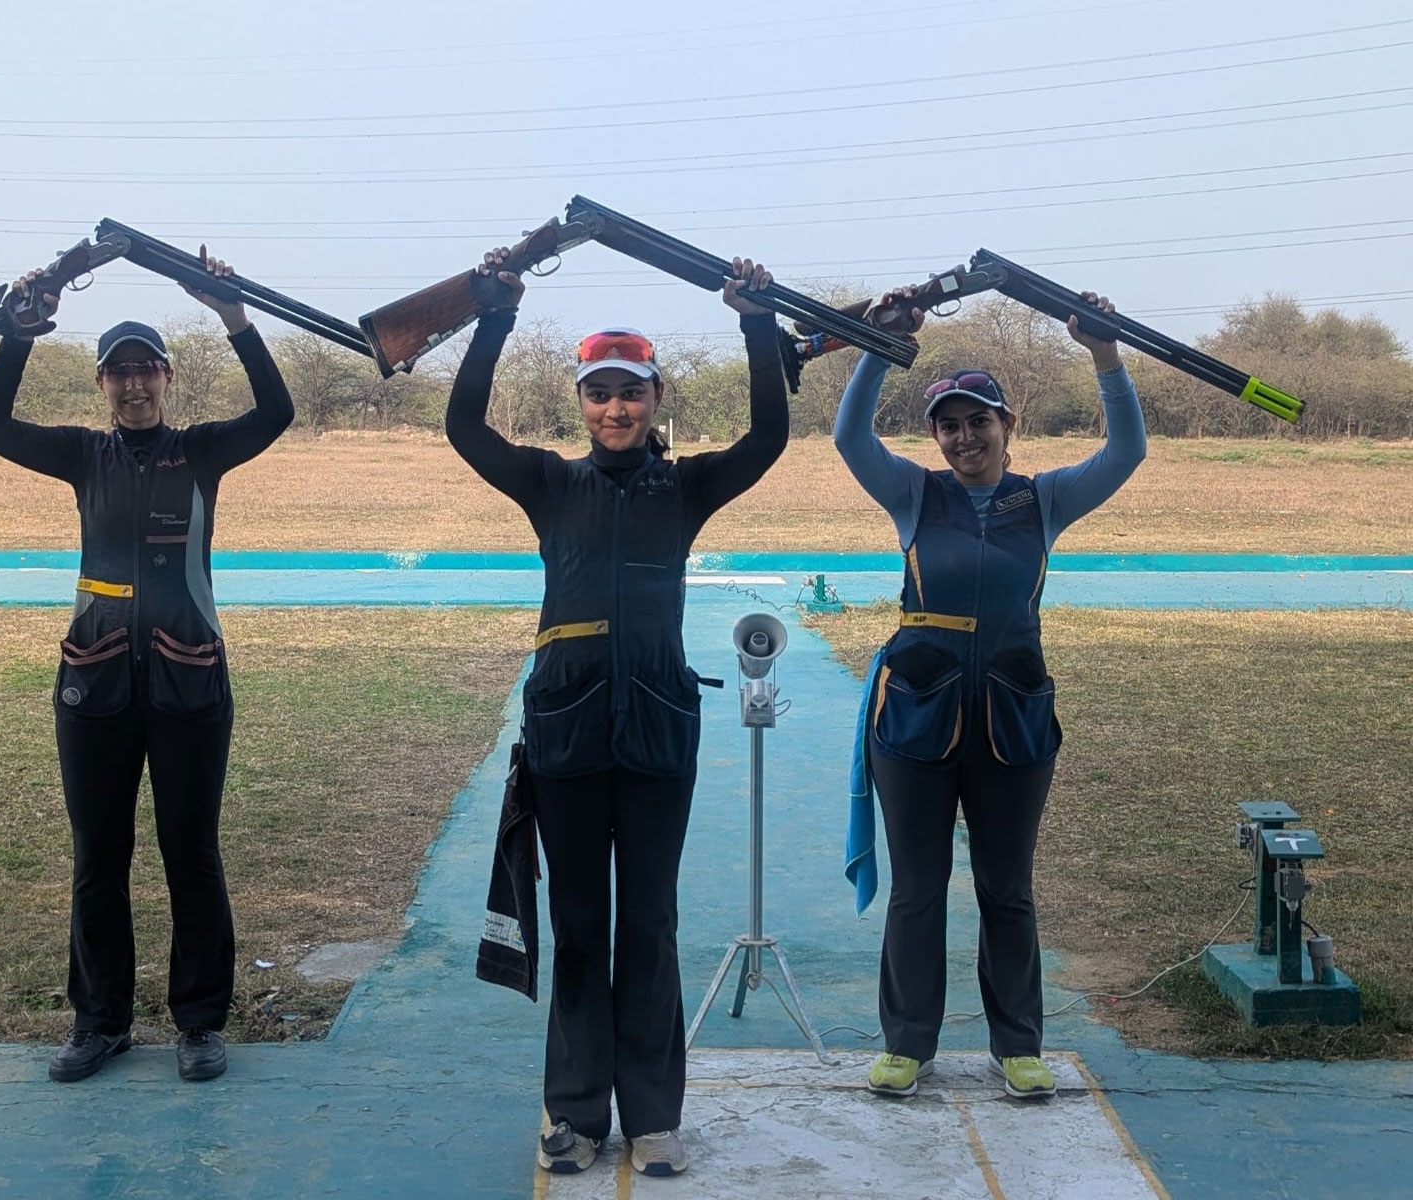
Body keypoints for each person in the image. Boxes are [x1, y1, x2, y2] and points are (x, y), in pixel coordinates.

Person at [447, 246, 789, 1177]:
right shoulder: (548, 484)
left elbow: (766, 440)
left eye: (630, 393)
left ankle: (652, 1117)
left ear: (656, 398)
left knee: (650, 927)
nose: (614, 409)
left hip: (656, 741)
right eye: (599, 394)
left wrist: (756, 320)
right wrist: (496, 313)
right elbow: (464, 428)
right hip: (565, 737)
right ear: (581, 402)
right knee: (580, 931)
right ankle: (574, 1113)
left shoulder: (684, 488)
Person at [0, 249, 294, 1084]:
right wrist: (18, 333)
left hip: (191, 682)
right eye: (119, 374)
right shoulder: (82, 454)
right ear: (102, 386)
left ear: (168, 377)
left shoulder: (205, 451)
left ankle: (197, 1023)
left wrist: (233, 314)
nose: (134, 385)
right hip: (95, 683)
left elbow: (278, 410)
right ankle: (100, 1021)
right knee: (97, 858)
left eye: (147, 369)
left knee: (191, 852)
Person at [835, 286, 1146, 1101]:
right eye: (949, 423)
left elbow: (1126, 451)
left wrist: (1105, 354)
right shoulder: (913, 494)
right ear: (934, 435)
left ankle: (1019, 1046)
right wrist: (882, 345)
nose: (964, 436)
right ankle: (908, 1044)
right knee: (917, 888)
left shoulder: (1044, 500)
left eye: (979, 420)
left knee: (1008, 888)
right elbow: (847, 434)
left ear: (1009, 425)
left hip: (1013, 716)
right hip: (915, 718)